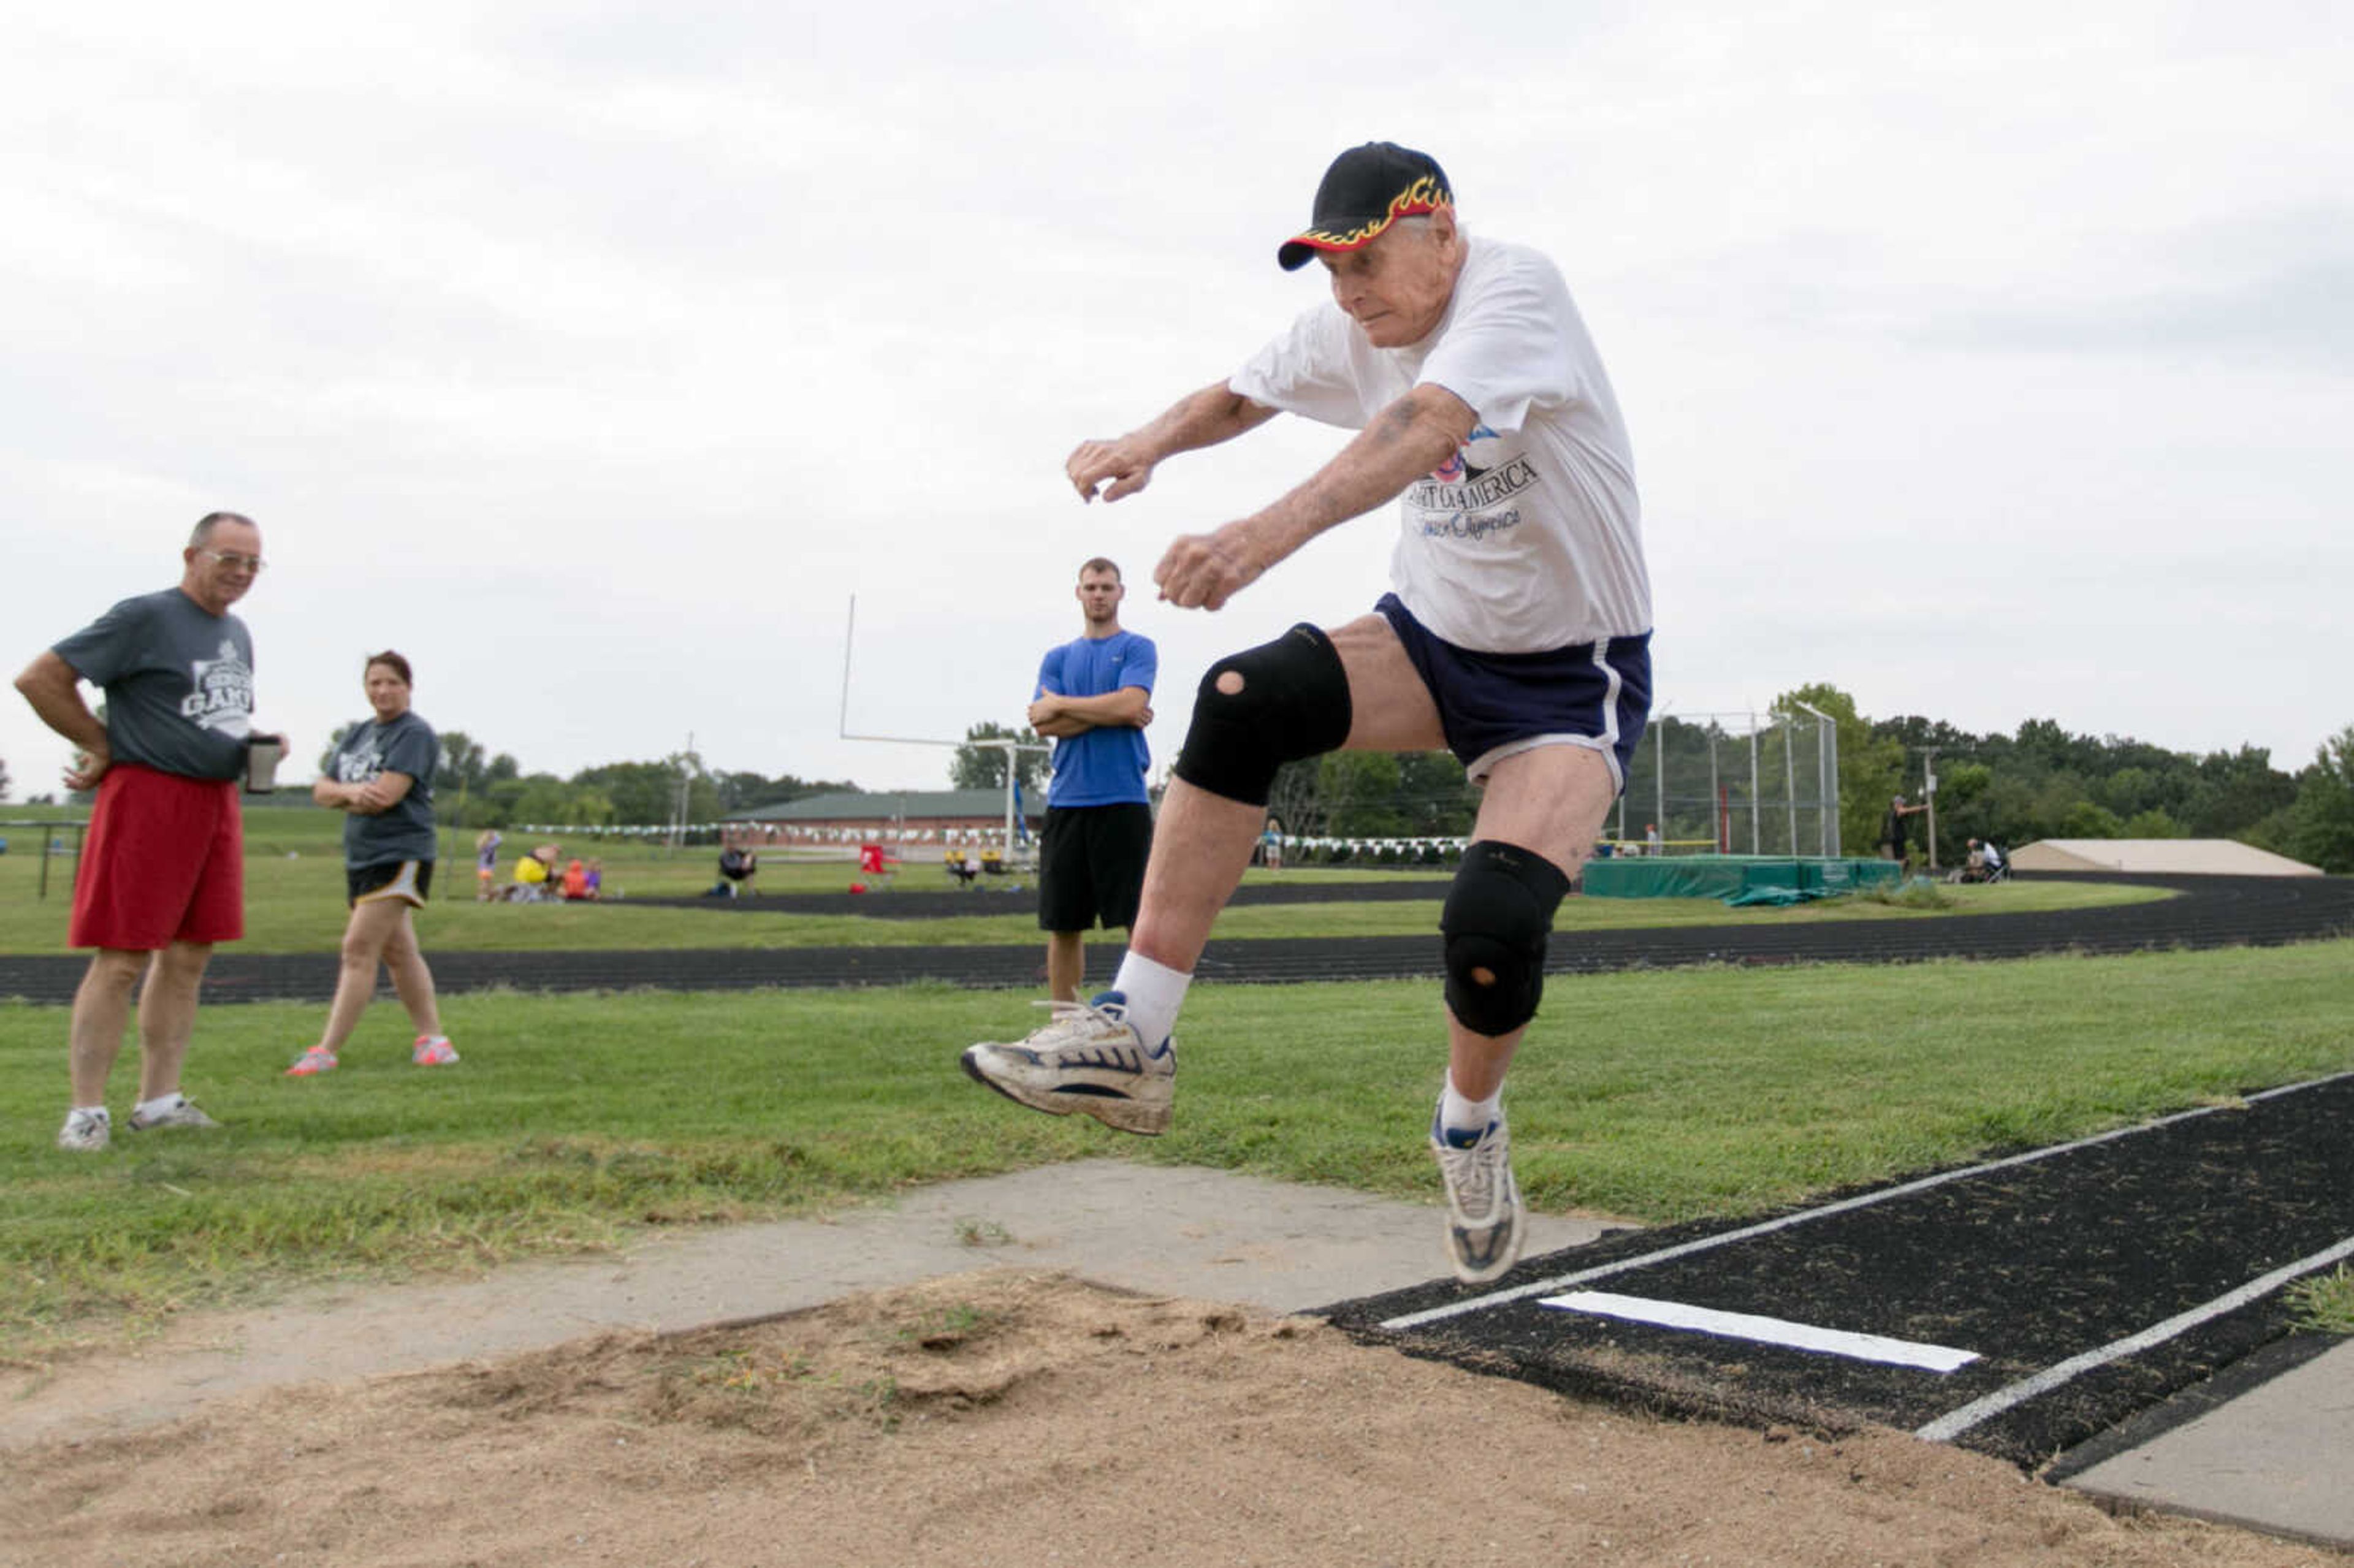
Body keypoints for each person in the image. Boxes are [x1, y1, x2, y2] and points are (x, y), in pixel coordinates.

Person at [962, 143, 1653, 1285]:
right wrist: (1145, 443)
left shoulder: (1515, 292)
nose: (1347, 294)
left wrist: (1254, 539)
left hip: (1568, 673)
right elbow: (1240, 394)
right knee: (1241, 697)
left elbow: (1425, 426)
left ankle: (1469, 1127)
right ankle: (1135, 1033)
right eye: (1329, 271)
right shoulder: (1356, 325)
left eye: (1367, 262)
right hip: (1432, 639)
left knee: (1490, 927)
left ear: (1441, 233)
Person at [14, 511, 280, 1151]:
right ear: (192, 555)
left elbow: (208, 712)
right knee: (122, 957)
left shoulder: (237, 632)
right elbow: (40, 677)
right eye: (229, 559)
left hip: (214, 801)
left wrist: (257, 747)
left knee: (190, 954)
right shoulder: (144, 616)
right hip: (149, 796)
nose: (242, 573)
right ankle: (86, 1113)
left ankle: (158, 1099)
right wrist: (101, 741)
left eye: (253, 563)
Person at [286, 652, 459, 1076]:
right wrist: (350, 793)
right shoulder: (358, 734)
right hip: (361, 855)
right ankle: (434, 1041)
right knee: (399, 952)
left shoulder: (414, 734)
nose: (382, 691)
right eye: (374, 683)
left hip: (399, 852)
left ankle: (326, 1050)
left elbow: (386, 795)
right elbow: (321, 790)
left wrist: (345, 794)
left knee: (358, 948)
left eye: (392, 683)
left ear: (408, 687)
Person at [1027, 558, 1158, 1004]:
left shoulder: (1139, 648)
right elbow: (1044, 725)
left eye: (1106, 587)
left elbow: (1129, 706)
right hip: (1068, 804)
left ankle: (1142, 1019)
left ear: (1121, 592)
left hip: (1123, 801)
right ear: (1078, 593)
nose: (1098, 594)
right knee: (1064, 923)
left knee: (1136, 921)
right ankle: (1065, 1023)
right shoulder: (1058, 657)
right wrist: (1113, 711)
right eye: (1090, 587)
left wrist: (1064, 704)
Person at [1883, 794, 1927, 867]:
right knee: (1901, 859)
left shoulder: (1894, 813)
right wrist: (1922, 808)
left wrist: (1918, 810)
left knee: (1899, 858)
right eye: (1902, 804)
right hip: (1898, 839)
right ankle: (1903, 865)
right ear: (1898, 804)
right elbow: (1908, 810)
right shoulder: (1898, 811)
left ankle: (1904, 864)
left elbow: (1910, 812)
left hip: (1897, 839)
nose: (1903, 805)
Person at [474, 828, 502, 900]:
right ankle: (484, 896)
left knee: (485, 882)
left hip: (482, 866)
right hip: (486, 867)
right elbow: (499, 841)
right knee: (486, 883)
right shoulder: (489, 845)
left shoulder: (483, 844)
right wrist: (496, 834)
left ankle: (485, 895)